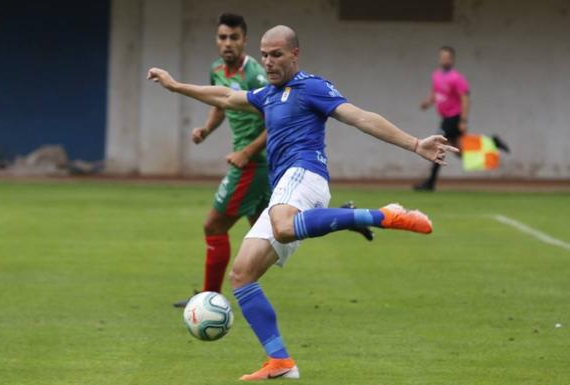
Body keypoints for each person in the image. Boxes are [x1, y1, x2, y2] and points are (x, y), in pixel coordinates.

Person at [148, 25, 458, 380]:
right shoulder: (267, 94)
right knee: (242, 275)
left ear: (295, 54)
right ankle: (280, 361)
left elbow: (360, 117)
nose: (268, 61)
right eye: (264, 55)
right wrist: (176, 86)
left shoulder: (312, 87)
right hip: (285, 188)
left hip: (305, 174)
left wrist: (415, 144)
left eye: (276, 54)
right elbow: (226, 96)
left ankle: (382, 215)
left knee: (281, 227)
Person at [172, 13, 271, 308]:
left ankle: (209, 299)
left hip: (255, 163)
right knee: (267, 230)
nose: (227, 43)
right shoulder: (217, 69)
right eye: (222, 37)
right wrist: (205, 129)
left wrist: (247, 152)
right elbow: (220, 104)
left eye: (234, 38)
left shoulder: (255, 75)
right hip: (255, 162)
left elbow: (276, 120)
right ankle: (340, 217)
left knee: (214, 226)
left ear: (244, 40)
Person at [415, 46, 509, 191]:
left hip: (453, 117)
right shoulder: (436, 75)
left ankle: (430, 183)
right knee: (461, 152)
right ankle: (492, 142)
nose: (443, 59)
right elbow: (436, 93)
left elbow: (465, 99)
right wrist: (427, 103)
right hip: (445, 117)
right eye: (442, 57)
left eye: (447, 57)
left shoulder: (456, 78)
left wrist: (463, 120)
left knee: (437, 145)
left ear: (452, 59)